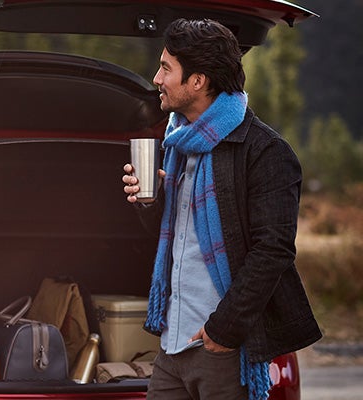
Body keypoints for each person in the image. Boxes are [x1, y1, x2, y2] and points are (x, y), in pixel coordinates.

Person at [122, 19, 321, 400]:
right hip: (172, 345)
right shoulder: (178, 141)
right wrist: (150, 201)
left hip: (222, 351)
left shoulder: (264, 152)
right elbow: (178, 237)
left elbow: (273, 250)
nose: (156, 78)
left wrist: (223, 332)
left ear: (198, 81)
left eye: (166, 68)